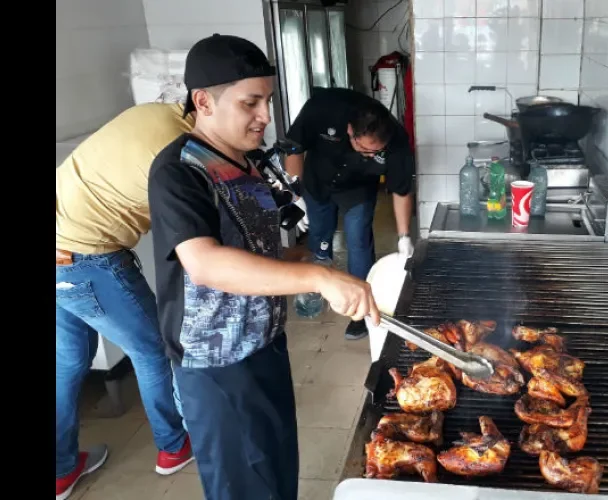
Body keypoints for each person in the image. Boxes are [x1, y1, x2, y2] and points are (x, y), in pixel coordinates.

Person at [147, 34, 380, 500]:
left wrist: (313, 264)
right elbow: (206, 264)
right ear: (203, 102)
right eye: (251, 102)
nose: (266, 116)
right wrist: (317, 276)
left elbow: (258, 247)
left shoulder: (248, 160)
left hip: (266, 345)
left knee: (277, 470)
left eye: (268, 100)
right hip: (217, 368)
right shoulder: (179, 170)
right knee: (242, 485)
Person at [55, 103, 197, 500]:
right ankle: (173, 447)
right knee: (153, 350)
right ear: (205, 105)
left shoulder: (154, 111)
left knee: (66, 362)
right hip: (89, 258)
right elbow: (191, 242)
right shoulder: (181, 151)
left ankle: (60, 471)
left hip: (60, 245)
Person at [284, 86, 415, 340]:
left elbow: (401, 190)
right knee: (319, 241)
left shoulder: (397, 141)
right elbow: (294, 148)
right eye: (364, 149)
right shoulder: (323, 108)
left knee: (358, 241)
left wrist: (403, 237)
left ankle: (360, 312)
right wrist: (295, 196)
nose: (370, 155)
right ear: (349, 131)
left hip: (358, 189)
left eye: (375, 152)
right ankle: (317, 291)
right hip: (317, 182)